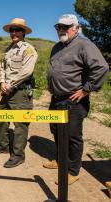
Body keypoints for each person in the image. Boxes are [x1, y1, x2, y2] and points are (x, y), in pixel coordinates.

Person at [44, 14, 109, 185]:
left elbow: (101, 68)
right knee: (57, 131)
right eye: (59, 27)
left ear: (76, 28)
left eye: (66, 27)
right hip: (56, 98)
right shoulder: (57, 47)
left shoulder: (84, 45)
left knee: (72, 136)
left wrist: (86, 90)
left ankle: (73, 171)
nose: (61, 30)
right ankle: (60, 160)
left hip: (73, 100)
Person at [0, 18, 38, 168]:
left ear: (23, 32)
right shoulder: (8, 49)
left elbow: (26, 72)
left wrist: (10, 84)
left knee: (20, 124)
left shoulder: (29, 49)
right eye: (12, 30)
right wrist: (2, 82)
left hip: (20, 92)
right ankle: (2, 145)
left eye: (17, 30)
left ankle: (17, 155)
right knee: (1, 118)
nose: (14, 33)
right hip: (7, 90)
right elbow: (3, 68)